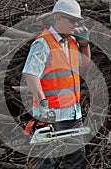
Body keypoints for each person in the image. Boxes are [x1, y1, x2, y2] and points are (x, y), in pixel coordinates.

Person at [22, 0, 91, 168]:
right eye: (72, 20)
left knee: (75, 160)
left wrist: (85, 45)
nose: (76, 24)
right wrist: (42, 103)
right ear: (58, 18)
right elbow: (30, 74)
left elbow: (84, 65)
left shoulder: (72, 42)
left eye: (78, 21)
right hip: (51, 115)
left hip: (73, 114)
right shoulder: (43, 43)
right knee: (48, 162)